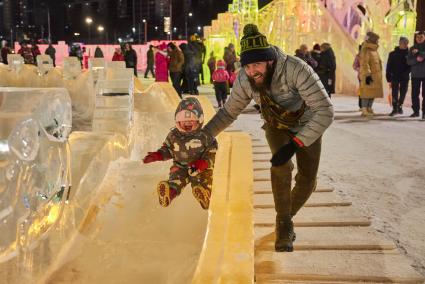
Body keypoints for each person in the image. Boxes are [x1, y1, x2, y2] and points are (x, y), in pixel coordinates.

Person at [202, 24, 333, 252]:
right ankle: (284, 224)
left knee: (307, 180)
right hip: (276, 124)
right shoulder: (245, 78)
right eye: (249, 65)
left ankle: (285, 215)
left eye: (258, 64)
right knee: (280, 165)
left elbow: (325, 110)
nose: (253, 71)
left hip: (308, 122)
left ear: (270, 61)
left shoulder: (296, 69)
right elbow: (228, 112)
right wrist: (203, 136)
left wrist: (297, 143)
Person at [143, 97, 218, 209]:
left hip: (199, 166)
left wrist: (203, 163)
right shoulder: (173, 135)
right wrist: (157, 155)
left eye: (191, 120)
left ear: (199, 120)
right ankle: (169, 193)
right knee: (176, 180)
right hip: (180, 166)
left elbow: (212, 152)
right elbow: (168, 150)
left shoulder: (205, 136)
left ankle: (204, 194)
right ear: (177, 121)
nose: (187, 122)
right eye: (183, 120)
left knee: (202, 179)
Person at [359, 31, 384, 117]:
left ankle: (369, 107)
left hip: (376, 76)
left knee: (373, 92)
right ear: (373, 40)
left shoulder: (374, 50)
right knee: (367, 92)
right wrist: (367, 74)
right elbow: (364, 63)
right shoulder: (366, 49)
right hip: (369, 76)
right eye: (377, 40)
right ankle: (364, 109)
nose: (378, 41)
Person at [386, 36, 410, 116]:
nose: (405, 45)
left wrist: (406, 73)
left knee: (403, 92)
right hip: (395, 76)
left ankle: (400, 106)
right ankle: (394, 109)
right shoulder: (392, 54)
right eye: (403, 43)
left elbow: (410, 66)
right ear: (399, 43)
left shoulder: (409, 54)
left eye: (406, 43)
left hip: (405, 77)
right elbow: (389, 65)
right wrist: (388, 75)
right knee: (394, 93)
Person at [407, 31, 425, 119]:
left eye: (421, 36)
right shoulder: (412, 48)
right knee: (414, 94)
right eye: (417, 37)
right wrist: (417, 59)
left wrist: (420, 53)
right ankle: (416, 111)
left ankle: (424, 113)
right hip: (415, 74)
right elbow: (408, 61)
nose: (419, 38)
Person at [352, 45, 362, 110]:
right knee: (362, 90)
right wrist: (360, 69)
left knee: (367, 90)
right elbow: (354, 66)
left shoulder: (369, 55)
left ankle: (367, 106)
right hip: (361, 76)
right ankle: (361, 105)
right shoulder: (358, 56)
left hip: (369, 75)